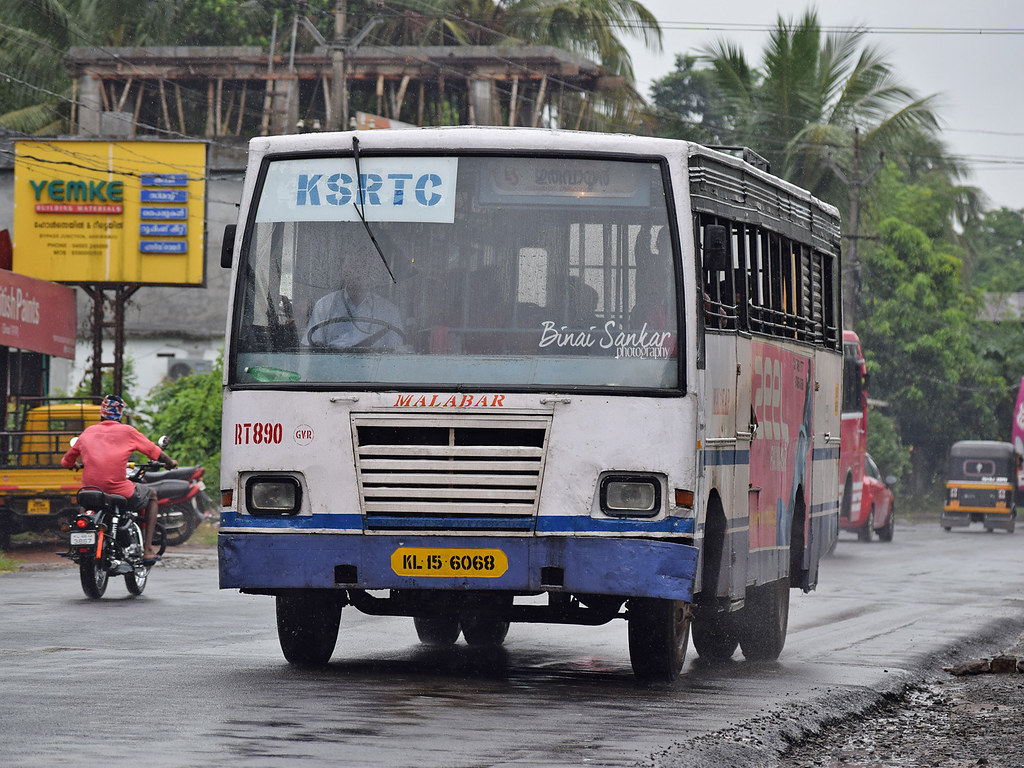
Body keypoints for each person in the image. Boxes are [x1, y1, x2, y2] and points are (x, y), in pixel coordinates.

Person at [61, 394, 177, 564]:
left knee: (84, 509)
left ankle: (80, 544)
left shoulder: (87, 432)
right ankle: (147, 550)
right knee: (151, 494)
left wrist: (76, 465)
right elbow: (155, 452)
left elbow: (66, 461)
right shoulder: (127, 431)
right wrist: (170, 462)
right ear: (120, 414)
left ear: (101, 413)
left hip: (90, 492)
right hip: (119, 491)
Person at [303, 255, 405, 348]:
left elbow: (397, 351)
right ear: (343, 271)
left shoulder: (389, 311)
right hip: (332, 365)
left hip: (375, 366)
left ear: (371, 272)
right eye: (352, 266)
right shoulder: (324, 305)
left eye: (363, 267)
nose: (357, 273)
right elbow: (312, 347)